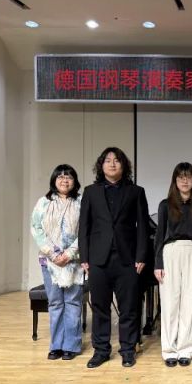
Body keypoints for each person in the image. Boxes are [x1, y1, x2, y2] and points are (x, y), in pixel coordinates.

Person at [78, 147, 149, 369]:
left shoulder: (136, 192)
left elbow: (143, 227)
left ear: (123, 166)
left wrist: (141, 255)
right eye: (107, 160)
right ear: (101, 165)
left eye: (117, 160)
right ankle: (101, 351)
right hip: (98, 260)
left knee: (129, 308)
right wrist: (84, 256)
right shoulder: (90, 192)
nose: (112, 164)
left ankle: (128, 350)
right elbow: (84, 227)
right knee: (100, 307)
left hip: (128, 259)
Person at [153, 163, 192, 367]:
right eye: (180, 177)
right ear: (175, 181)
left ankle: (185, 349)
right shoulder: (165, 205)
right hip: (170, 251)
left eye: (188, 177)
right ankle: (169, 350)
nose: (185, 181)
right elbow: (159, 236)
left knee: (189, 303)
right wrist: (157, 263)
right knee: (169, 303)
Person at [31, 164, 85, 361]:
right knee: (55, 303)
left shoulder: (81, 202)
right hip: (50, 261)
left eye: (69, 177)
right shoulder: (43, 202)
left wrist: (69, 254)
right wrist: (53, 254)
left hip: (74, 261)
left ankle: (72, 345)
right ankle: (56, 346)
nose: (64, 180)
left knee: (73, 302)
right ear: (54, 180)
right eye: (60, 177)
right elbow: (36, 228)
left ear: (74, 181)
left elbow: (86, 230)